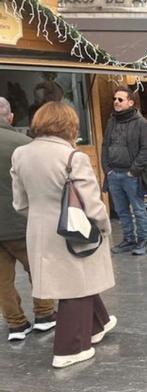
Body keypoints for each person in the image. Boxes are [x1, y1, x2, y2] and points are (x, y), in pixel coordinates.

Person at [11, 102, 116, 368]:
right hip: (74, 230)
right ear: (69, 125)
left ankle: (98, 324)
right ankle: (70, 348)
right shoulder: (73, 157)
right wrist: (104, 226)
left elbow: (20, 203)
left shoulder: (21, 154)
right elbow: (92, 204)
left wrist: (41, 218)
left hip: (39, 229)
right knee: (75, 286)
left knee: (75, 280)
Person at [0, 97, 56, 341]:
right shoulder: (24, 145)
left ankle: (15, 324)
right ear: (10, 117)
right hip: (21, 221)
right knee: (38, 268)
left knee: (2, 280)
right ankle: (44, 314)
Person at [101, 87, 147, 256]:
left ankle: (143, 242)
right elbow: (105, 146)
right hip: (114, 174)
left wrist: (133, 171)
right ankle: (128, 240)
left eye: (120, 99)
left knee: (138, 210)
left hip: (132, 176)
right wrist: (107, 169)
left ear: (130, 103)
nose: (116, 102)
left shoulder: (141, 123)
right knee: (121, 210)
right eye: (115, 99)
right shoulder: (112, 121)